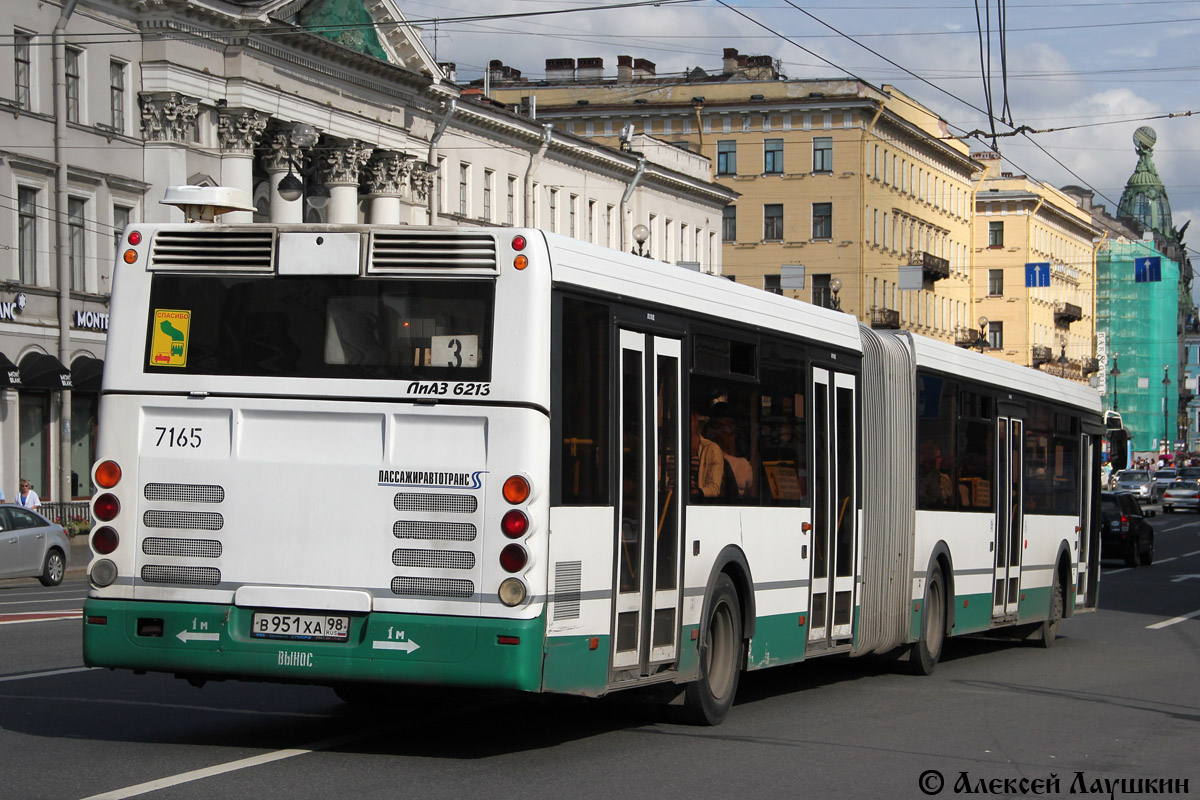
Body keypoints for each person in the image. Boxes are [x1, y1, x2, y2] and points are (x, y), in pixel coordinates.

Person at [690, 412, 725, 500]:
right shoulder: (666, 448)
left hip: (695, 500)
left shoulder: (711, 449)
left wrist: (696, 493)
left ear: (695, 420)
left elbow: (714, 488)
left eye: (688, 420)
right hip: (666, 497)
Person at [918, 441, 953, 507]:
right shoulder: (917, 475)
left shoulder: (939, 477)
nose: (940, 460)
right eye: (937, 457)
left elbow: (935, 500)